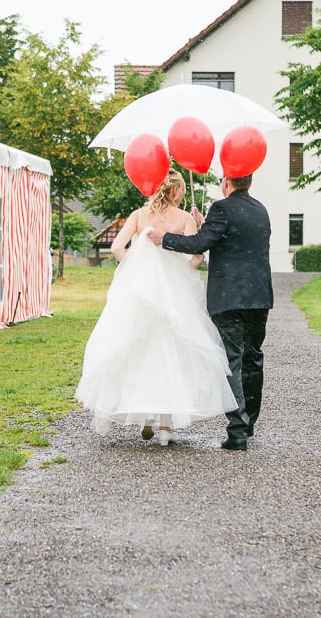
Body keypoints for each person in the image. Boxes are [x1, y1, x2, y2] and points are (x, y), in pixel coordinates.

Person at [75, 172, 237, 446]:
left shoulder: (139, 215)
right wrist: (181, 272)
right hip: (173, 295)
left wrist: (135, 271)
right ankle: (164, 427)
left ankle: (146, 417)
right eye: (182, 192)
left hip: (140, 293)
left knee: (140, 351)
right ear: (176, 192)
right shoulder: (184, 217)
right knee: (171, 354)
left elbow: (116, 247)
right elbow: (197, 256)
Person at [149, 173, 273, 451]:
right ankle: (249, 423)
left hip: (229, 298)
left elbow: (197, 245)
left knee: (232, 362)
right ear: (250, 182)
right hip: (260, 295)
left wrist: (164, 238)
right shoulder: (260, 210)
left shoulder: (222, 208)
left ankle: (237, 432)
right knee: (253, 357)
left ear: (227, 182)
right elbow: (233, 239)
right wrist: (205, 225)